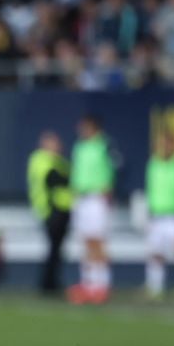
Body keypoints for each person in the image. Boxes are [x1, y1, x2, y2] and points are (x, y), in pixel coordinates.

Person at [68, 114, 116, 305]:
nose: (82, 130)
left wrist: (108, 190)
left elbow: (113, 169)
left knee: (98, 240)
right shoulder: (79, 147)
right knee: (86, 241)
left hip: (97, 196)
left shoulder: (104, 145)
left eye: (86, 127)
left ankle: (102, 284)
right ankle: (88, 284)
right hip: (82, 197)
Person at [142, 131, 174, 302]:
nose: (163, 147)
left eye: (167, 143)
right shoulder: (153, 164)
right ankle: (155, 288)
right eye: (160, 143)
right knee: (155, 252)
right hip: (156, 215)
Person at [27, 131, 72, 295]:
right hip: (50, 209)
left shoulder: (60, 161)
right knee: (53, 248)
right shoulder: (40, 159)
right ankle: (47, 283)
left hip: (64, 209)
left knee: (57, 249)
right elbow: (52, 179)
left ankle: (52, 281)